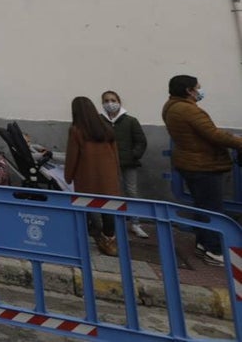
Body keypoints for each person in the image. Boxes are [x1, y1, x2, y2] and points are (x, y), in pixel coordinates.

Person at [162, 74, 242, 266]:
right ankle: (214, 250)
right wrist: (238, 141)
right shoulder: (189, 110)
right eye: (198, 87)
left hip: (190, 162)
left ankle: (202, 243)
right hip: (203, 164)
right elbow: (212, 134)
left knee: (202, 205)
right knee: (212, 208)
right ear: (189, 91)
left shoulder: (171, 106)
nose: (200, 90)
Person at [65, 96, 122, 257]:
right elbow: (115, 153)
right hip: (108, 177)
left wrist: (68, 176)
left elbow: (72, 156)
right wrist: (116, 172)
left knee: (86, 205)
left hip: (86, 176)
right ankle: (109, 239)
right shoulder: (106, 129)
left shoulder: (77, 130)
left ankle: (94, 235)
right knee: (108, 207)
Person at [101, 90, 149, 238]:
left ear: (119, 102)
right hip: (108, 164)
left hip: (128, 163)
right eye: (107, 100)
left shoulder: (130, 121)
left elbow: (141, 141)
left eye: (113, 100)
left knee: (131, 192)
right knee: (111, 193)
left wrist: (132, 155)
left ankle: (135, 223)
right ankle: (113, 223)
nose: (110, 103)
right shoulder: (100, 121)